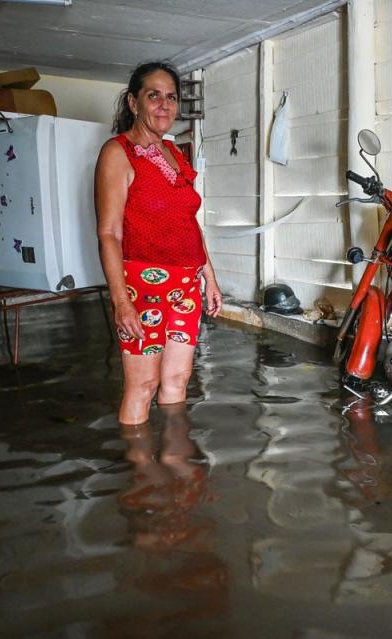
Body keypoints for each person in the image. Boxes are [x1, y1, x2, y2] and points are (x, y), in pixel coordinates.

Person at [96, 61, 222, 425]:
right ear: (134, 104)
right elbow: (109, 233)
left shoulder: (174, 154)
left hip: (186, 286)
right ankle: (139, 475)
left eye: (171, 97)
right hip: (141, 287)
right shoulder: (117, 153)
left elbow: (188, 222)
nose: (164, 104)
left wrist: (208, 277)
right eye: (154, 96)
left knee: (177, 379)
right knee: (143, 384)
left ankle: (173, 462)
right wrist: (121, 302)